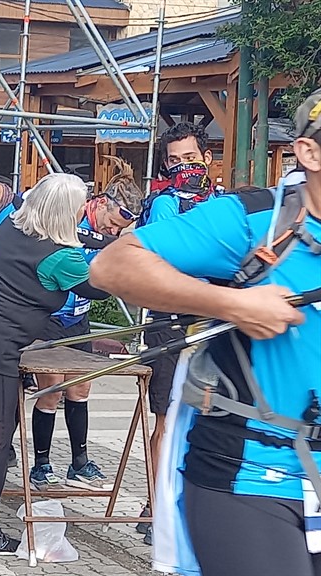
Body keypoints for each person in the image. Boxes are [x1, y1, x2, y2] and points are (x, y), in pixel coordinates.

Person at [89, 90, 321, 576]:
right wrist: (233, 304)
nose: (187, 169)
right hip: (251, 472)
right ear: (309, 152)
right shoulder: (255, 219)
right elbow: (112, 265)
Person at [0, 173, 110, 555]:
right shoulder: (61, 257)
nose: (83, 210)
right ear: (67, 211)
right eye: (80, 205)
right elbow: (97, 287)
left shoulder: (13, 225)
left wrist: (103, 242)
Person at [28, 157, 143, 492]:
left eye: (120, 228)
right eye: (112, 223)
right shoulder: (74, 216)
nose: (113, 231)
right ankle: (41, 464)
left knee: (80, 389)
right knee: (51, 391)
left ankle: (79, 462)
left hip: (79, 317)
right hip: (51, 316)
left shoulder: (108, 233)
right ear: (102, 203)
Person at [133, 121, 221, 542]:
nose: (183, 167)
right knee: (168, 420)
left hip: (214, 320)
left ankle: (198, 503)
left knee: (210, 418)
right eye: (174, 161)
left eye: (190, 158)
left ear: (207, 158)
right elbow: (170, 257)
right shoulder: (164, 203)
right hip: (169, 323)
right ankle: (155, 507)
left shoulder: (223, 203)